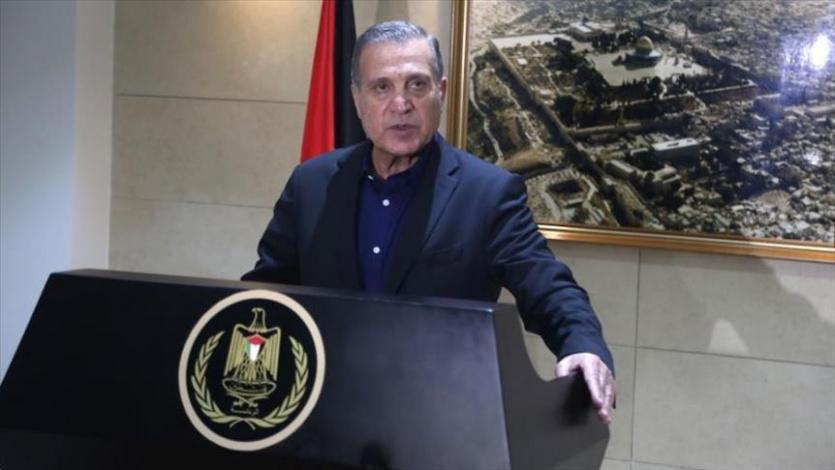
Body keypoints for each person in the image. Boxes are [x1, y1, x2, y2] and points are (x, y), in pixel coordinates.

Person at [243, 21, 615, 424]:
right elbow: (265, 295)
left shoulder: (488, 193)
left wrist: (582, 344)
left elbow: (547, 285)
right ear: (356, 99)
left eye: (417, 85)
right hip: (321, 414)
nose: (401, 104)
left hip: (440, 423)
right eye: (381, 87)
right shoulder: (311, 184)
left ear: (442, 91)